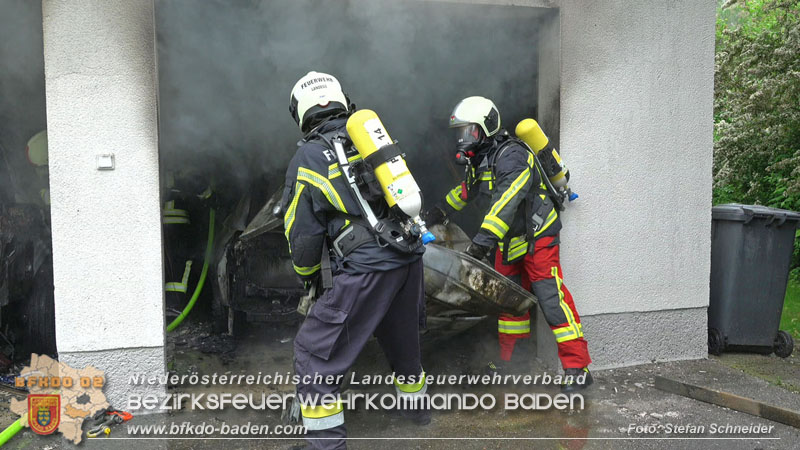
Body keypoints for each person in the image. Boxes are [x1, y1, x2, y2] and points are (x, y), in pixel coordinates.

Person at [282, 71, 428, 450]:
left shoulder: (308, 156)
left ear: (301, 112)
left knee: (314, 355)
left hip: (368, 268)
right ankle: (416, 415)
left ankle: (326, 445)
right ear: (343, 101)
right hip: (409, 259)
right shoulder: (368, 139)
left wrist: (308, 276)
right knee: (402, 341)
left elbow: (302, 232)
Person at [425, 96, 592, 392]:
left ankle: (578, 368)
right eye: (460, 132)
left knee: (551, 299)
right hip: (509, 240)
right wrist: (439, 211)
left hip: (537, 236)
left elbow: (506, 203)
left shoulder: (513, 156)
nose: (463, 139)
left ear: (486, 128)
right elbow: (467, 191)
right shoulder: (482, 159)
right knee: (507, 303)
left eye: (468, 131)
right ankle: (510, 361)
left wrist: (479, 245)